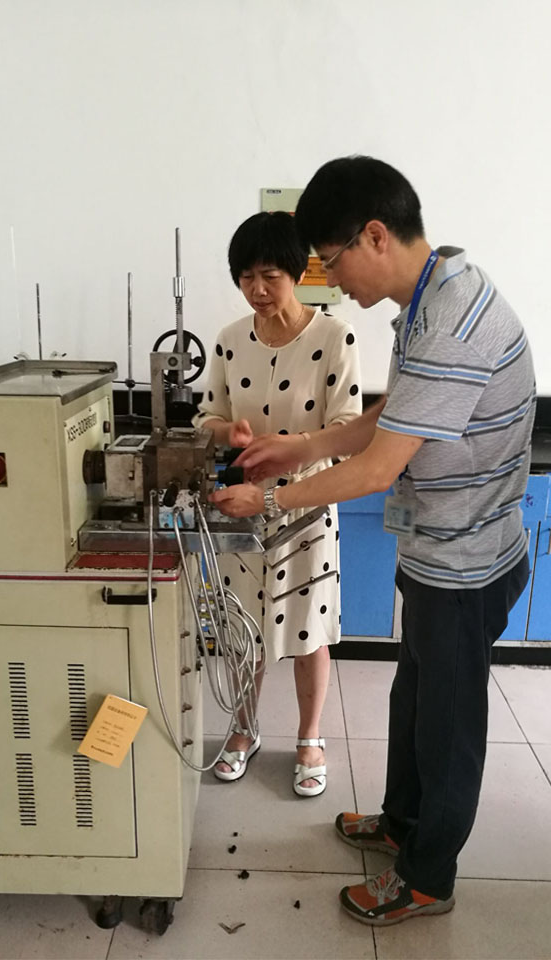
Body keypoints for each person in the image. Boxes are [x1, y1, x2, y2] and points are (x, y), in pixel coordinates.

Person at [213, 156, 534, 927]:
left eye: (331, 261)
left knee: (447, 727)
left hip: (465, 564)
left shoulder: (452, 320)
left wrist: (268, 497)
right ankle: (401, 823)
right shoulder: (430, 298)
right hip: (436, 552)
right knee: (413, 699)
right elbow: (393, 416)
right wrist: (298, 447)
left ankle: (426, 877)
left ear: (376, 235)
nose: (330, 280)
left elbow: (379, 467)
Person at [194, 211, 362, 797]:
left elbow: (347, 429)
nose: (258, 290)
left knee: (309, 629)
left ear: (296, 273)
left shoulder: (334, 337)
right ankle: (243, 729)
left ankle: (310, 736)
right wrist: (229, 431)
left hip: (307, 506)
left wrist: (290, 450)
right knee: (244, 626)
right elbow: (206, 417)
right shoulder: (229, 339)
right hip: (242, 504)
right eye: (246, 277)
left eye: (270, 276)